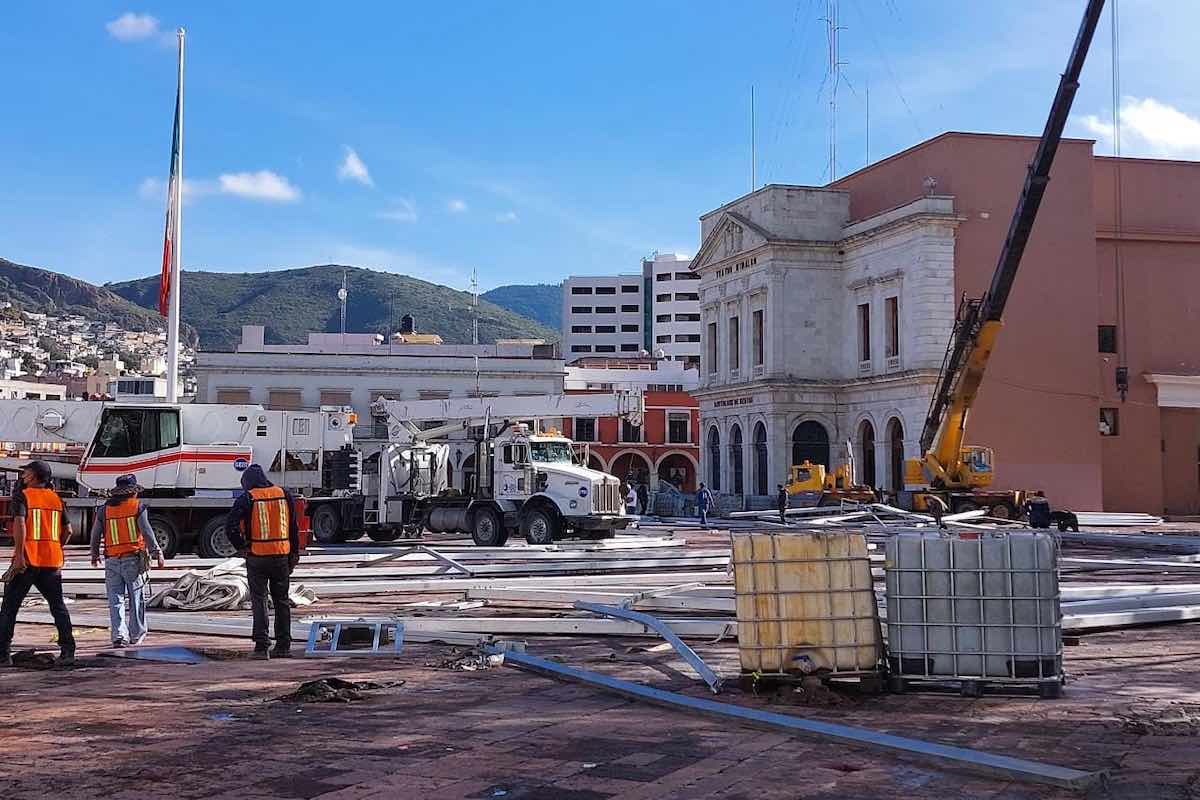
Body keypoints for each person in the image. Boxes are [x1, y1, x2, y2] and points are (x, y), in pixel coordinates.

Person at [0, 461, 75, 667]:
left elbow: (20, 524)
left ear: (33, 476)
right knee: (58, 607)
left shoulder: (23, 496)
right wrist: (56, 547)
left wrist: (18, 556)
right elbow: (68, 530)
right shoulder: (56, 499)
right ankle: (68, 651)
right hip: (51, 562)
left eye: (26, 472)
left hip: (27, 560)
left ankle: (3, 654)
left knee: (9, 608)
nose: (23, 476)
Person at [225, 464, 300, 659]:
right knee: (282, 601)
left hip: (257, 556)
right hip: (281, 555)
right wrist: (294, 554)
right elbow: (293, 526)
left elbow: (230, 526)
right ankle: (283, 646)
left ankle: (261, 647)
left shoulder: (248, 498)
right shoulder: (284, 494)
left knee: (259, 601)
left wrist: (242, 547)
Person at [89, 474, 165, 647]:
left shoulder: (104, 510)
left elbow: (95, 535)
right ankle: (136, 635)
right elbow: (147, 532)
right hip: (133, 560)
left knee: (115, 600)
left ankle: (119, 636)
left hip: (112, 560)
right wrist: (157, 553)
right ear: (133, 492)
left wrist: (94, 554)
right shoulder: (137, 507)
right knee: (136, 598)